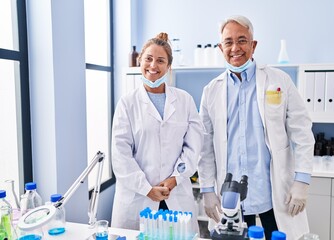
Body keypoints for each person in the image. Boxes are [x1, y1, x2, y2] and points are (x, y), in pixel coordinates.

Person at [198, 15, 315, 240]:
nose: (235, 48)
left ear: (253, 45)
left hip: (273, 192)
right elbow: (205, 146)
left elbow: (302, 131)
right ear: (220, 47)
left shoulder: (278, 80)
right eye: (228, 42)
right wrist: (207, 190)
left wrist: (302, 180)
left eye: (242, 40)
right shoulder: (211, 91)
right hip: (231, 196)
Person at [111, 32, 203, 232]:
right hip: (138, 197)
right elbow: (120, 155)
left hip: (175, 194)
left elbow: (193, 147)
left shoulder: (185, 100)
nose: (153, 65)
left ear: (169, 67)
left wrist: (174, 179)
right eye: (149, 59)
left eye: (161, 60)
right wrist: (147, 189)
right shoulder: (127, 103)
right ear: (139, 62)